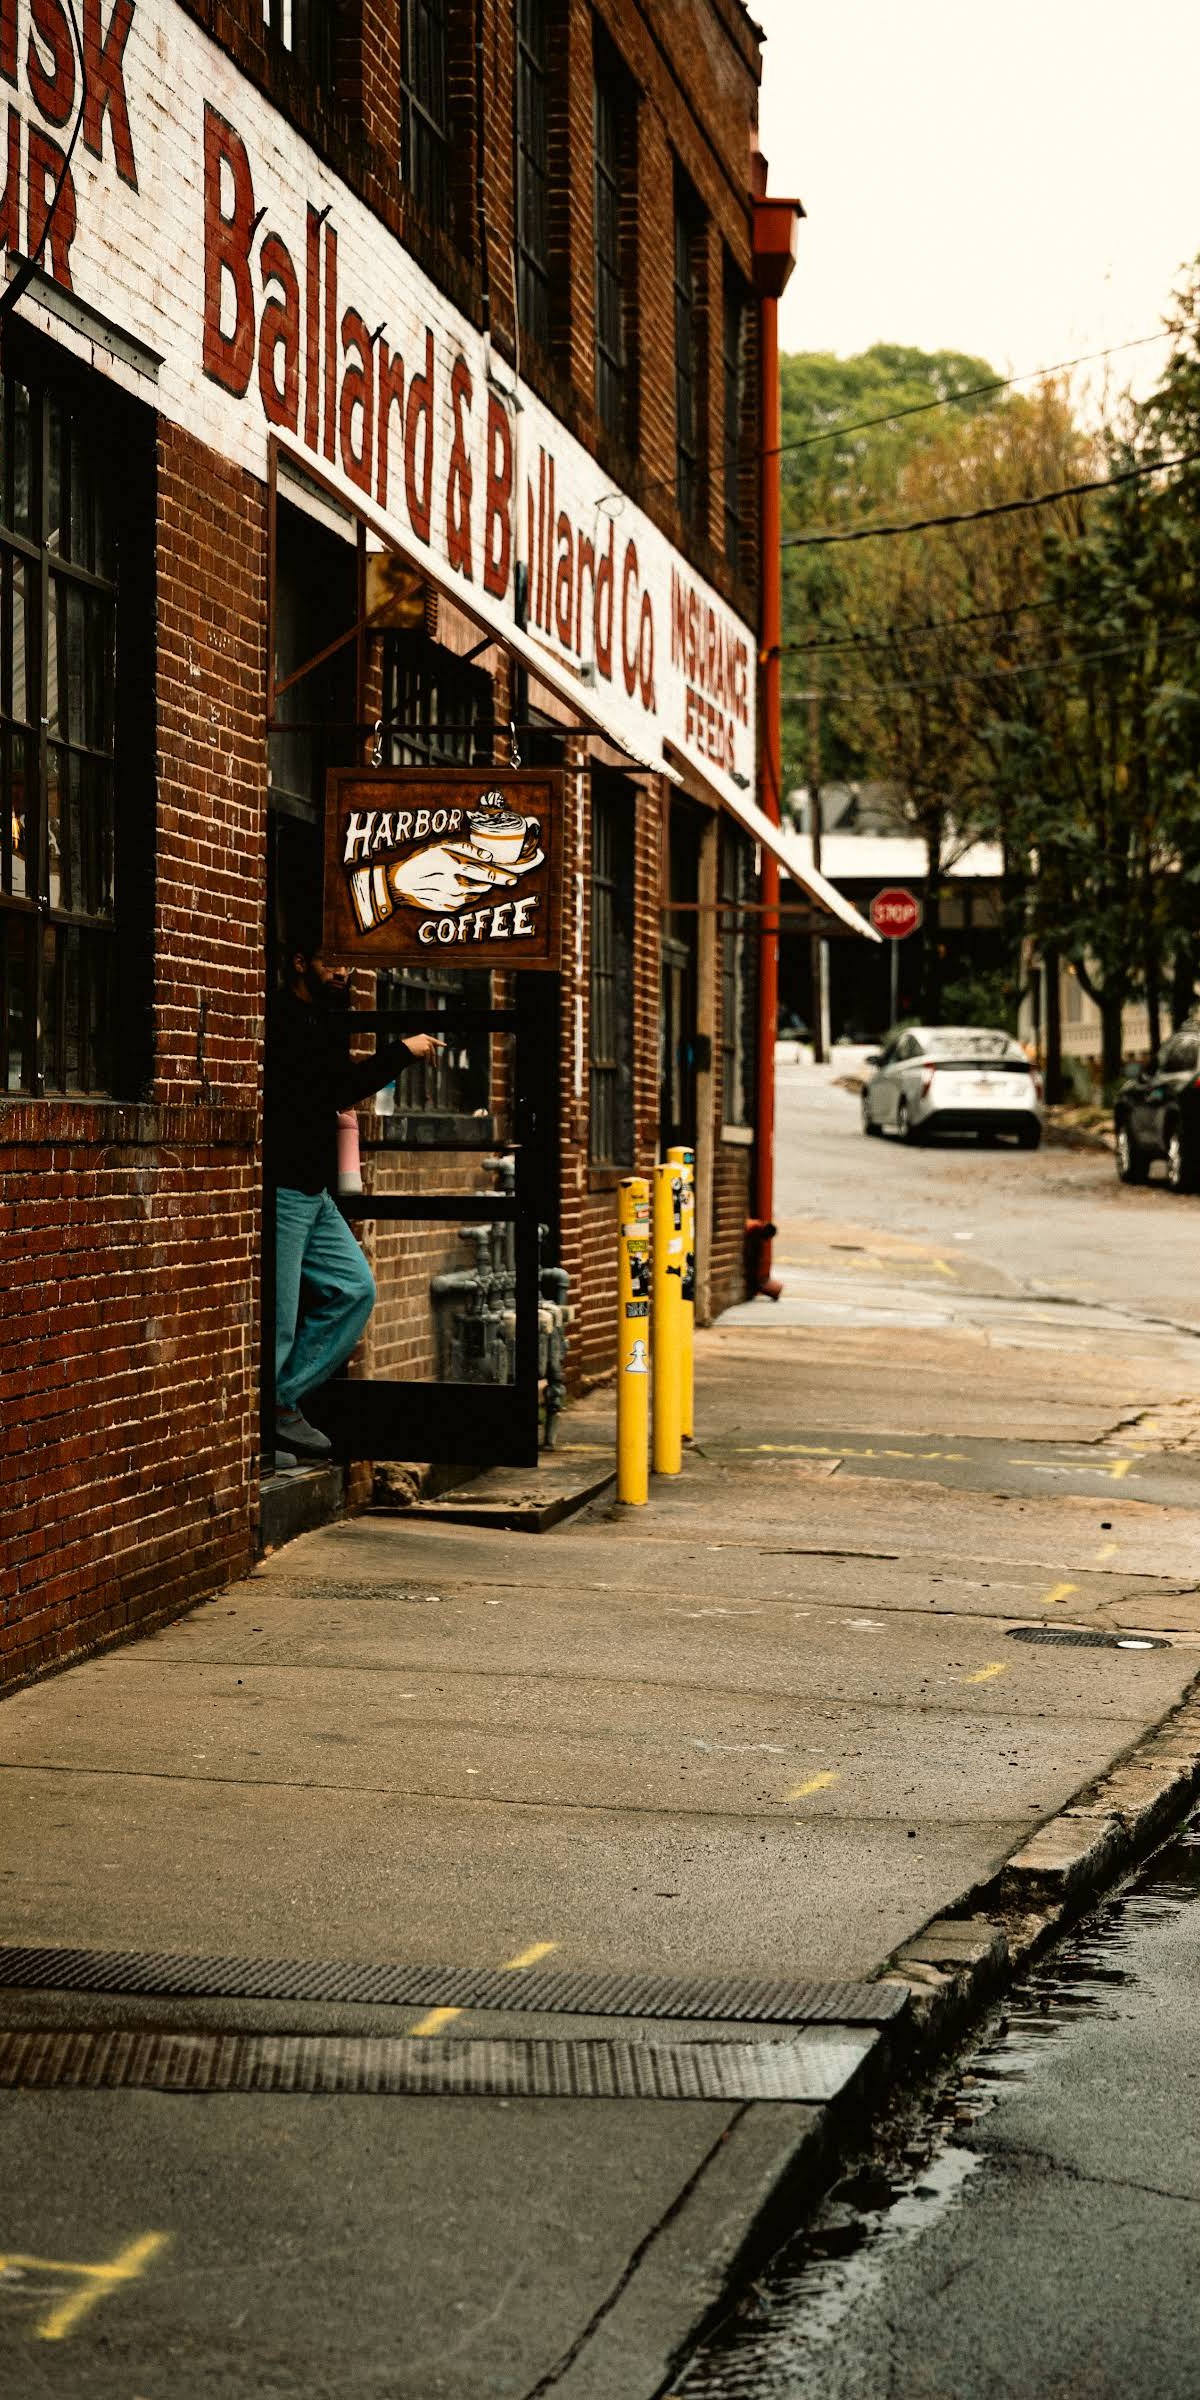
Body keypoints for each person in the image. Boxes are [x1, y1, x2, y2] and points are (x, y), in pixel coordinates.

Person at [265, 937, 440, 1467]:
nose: (344, 973)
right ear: (300, 962)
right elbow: (328, 1091)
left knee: (354, 1290)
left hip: (313, 1191)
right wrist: (400, 1052)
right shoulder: (287, 1021)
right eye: (332, 962)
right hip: (287, 1186)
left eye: (347, 965)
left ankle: (277, 1402)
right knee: (281, 1319)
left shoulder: (323, 1019)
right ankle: (267, 1425)